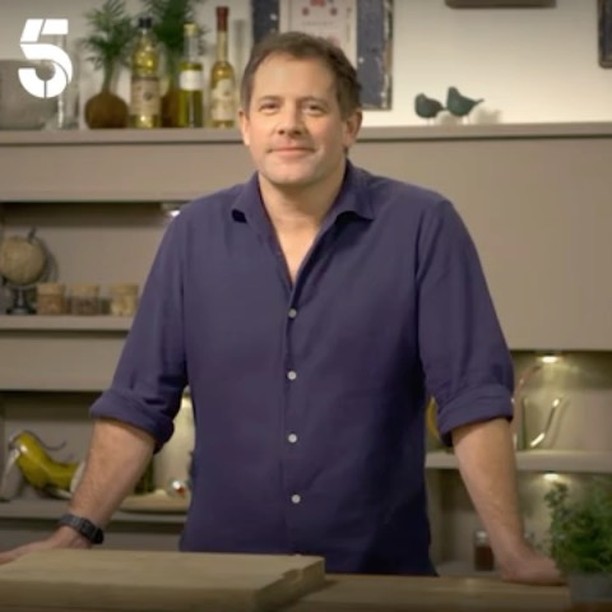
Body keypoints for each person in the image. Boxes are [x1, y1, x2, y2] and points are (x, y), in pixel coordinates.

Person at [0, 32, 561, 583]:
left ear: (350, 126)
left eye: (312, 107)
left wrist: (512, 552)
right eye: (271, 107)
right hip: (220, 580)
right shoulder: (193, 235)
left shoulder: (423, 226)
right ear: (245, 126)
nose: (289, 124)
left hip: (376, 578)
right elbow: (138, 402)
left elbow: (473, 397)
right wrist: (74, 531)